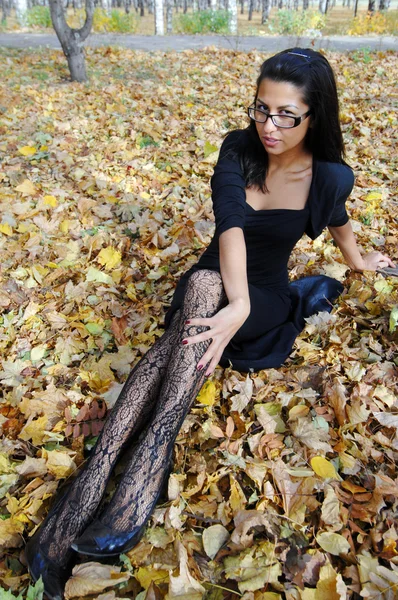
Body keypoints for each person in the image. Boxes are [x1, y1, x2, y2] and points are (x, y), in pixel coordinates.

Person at [25, 48, 395, 599]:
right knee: (202, 287)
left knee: (200, 300)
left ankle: (128, 464)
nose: (269, 126)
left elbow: (337, 218)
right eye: (261, 109)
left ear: (315, 115)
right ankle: (112, 471)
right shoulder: (238, 148)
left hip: (266, 295)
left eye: (287, 115)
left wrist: (360, 261)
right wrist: (233, 299)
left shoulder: (330, 176)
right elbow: (230, 225)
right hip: (220, 277)